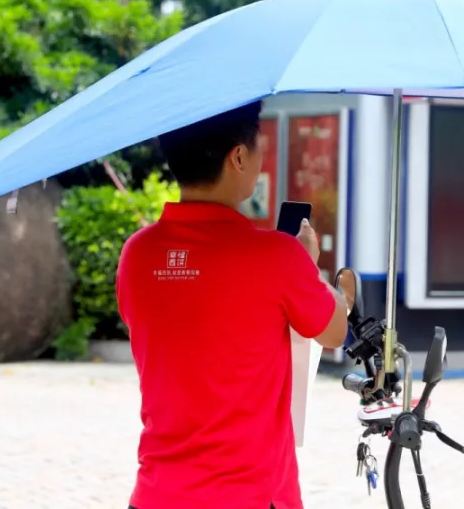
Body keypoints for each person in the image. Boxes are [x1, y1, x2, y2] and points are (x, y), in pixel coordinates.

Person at [116, 100, 349, 509]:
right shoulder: (277, 256)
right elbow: (333, 331)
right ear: (238, 157)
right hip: (250, 495)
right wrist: (307, 268)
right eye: (259, 147)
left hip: (156, 494)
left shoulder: (137, 253)